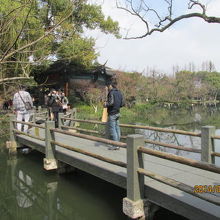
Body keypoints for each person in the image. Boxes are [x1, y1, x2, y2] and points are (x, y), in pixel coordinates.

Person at [104, 79, 125, 150]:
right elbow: (122, 104)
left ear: (110, 86)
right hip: (118, 113)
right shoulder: (119, 92)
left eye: (108, 86)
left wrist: (105, 104)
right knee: (117, 128)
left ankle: (116, 145)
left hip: (112, 114)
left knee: (112, 129)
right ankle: (118, 144)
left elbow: (111, 103)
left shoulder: (111, 92)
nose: (108, 87)